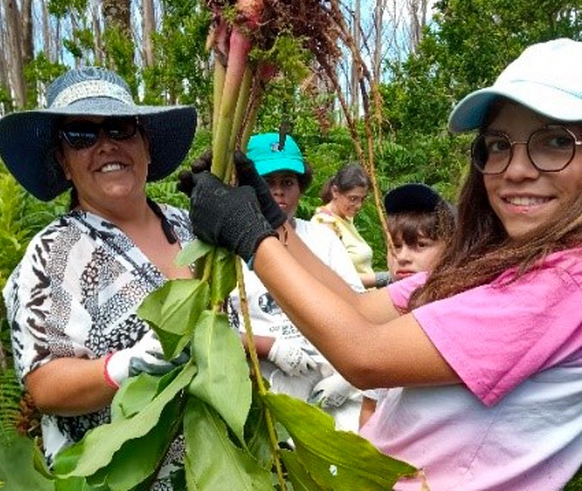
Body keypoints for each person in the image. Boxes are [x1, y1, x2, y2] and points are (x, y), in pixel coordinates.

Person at [179, 38, 582, 490]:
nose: (515, 169)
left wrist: (249, 238)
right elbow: (357, 308)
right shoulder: (492, 272)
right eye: (499, 145)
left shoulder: (567, 286)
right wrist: (271, 224)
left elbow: (364, 356)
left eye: (554, 142)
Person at [0, 67, 197, 488]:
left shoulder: (191, 227)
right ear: (63, 164)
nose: (105, 146)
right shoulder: (55, 253)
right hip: (117, 477)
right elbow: (44, 384)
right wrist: (126, 365)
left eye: (120, 129)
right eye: (81, 136)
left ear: (145, 146)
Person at [226, 132, 365, 432]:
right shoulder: (228, 251)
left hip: (325, 380)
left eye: (287, 182)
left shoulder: (321, 239)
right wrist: (268, 347)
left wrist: (349, 380)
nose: (278, 193)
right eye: (267, 182)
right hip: (261, 388)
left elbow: (359, 308)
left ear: (300, 188)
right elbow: (211, 330)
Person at [360, 183, 456, 427]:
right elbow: (370, 407)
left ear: (452, 251)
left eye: (420, 245)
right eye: (395, 246)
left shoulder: (456, 317)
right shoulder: (383, 314)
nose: (402, 257)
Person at [311, 163, 386, 288]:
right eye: (353, 198)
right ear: (335, 191)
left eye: (362, 199)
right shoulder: (325, 224)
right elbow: (332, 278)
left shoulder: (345, 218)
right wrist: (384, 278)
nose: (358, 206)